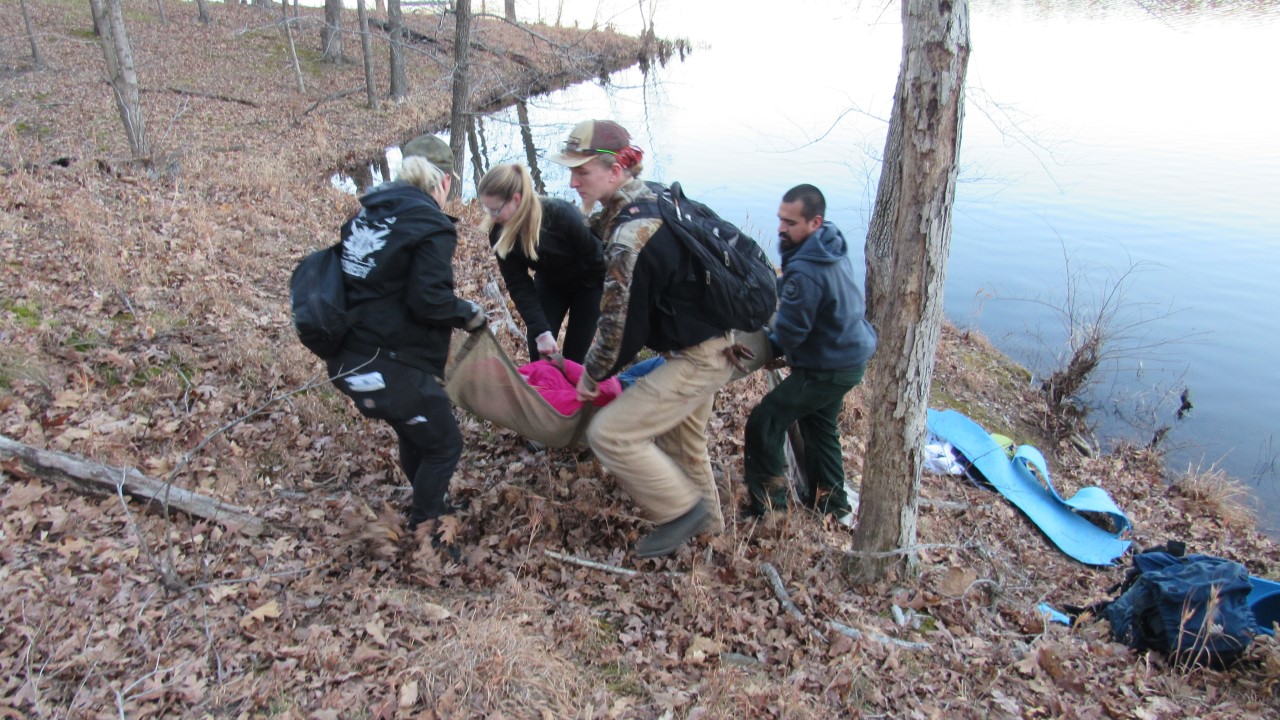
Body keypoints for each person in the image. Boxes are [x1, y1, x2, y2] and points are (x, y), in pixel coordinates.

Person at [549, 119, 747, 558]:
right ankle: (711, 543)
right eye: (571, 170)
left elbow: (619, 325)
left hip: (699, 357)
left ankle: (682, 514)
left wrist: (593, 375)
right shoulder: (653, 197)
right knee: (684, 446)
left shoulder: (630, 234)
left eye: (581, 171)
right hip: (711, 344)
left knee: (611, 434)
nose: (572, 180)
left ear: (615, 171)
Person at [327, 133, 487, 540]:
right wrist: (467, 312)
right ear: (445, 181)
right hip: (390, 364)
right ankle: (427, 534)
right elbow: (429, 300)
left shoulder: (367, 216)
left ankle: (429, 506)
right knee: (444, 444)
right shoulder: (430, 224)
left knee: (415, 432)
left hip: (348, 358)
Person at [742, 184, 877, 521]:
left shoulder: (807, 273)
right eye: (780, 219)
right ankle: (831, 504)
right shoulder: (829, 242)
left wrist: (764, 325)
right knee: (819, 426)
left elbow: (789, 332)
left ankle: (770, 510)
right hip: (849, 354)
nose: (781, 229)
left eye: (791, 223)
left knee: (766, 420)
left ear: (815, 222)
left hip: (829, 366)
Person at [477, 163, 605, 363]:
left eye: (495, 209)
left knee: (573, 357)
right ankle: (542, 392)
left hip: (589, 286)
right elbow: (518, 283)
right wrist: (541, 331)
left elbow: (600, 262)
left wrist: (613, 306)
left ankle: (569, 391)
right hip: (551, 284)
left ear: (516, 199)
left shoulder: (560, 215)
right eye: (488, 209)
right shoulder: (499, 232)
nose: (491, 216)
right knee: (539, 350)